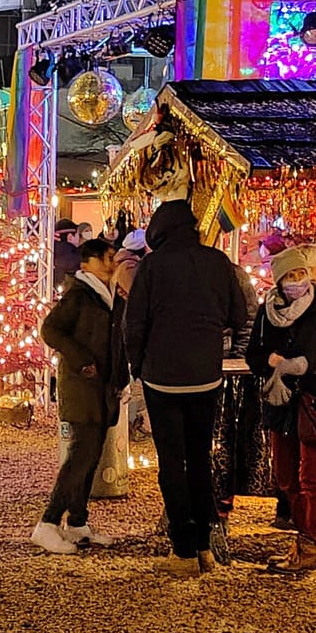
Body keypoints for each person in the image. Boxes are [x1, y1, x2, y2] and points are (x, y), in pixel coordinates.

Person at [123, 190, 252, 578]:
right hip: (205, 374)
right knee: (199, 457)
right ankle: (204, 546)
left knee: (171, 461)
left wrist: (137, 365)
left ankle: (182, 547)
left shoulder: (152, 267)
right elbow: (239, 312)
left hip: (163, 377)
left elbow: (136, 322)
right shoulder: (217, 262)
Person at [248, 244, 316, 575]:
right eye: (289, 276)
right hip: (282, 402)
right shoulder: (268, 313)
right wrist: (270, 364)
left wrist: (303, 365)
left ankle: (311, 543)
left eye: (300, 274)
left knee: (312, 478)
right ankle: (303, 537)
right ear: (278, 281)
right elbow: (254, 353)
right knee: (285, 475)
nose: (296, 281)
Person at [32, 237, 128, 555]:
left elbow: (118, 341)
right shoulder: (79, 295)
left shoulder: (111, 297)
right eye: (106, 258)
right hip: (82, 388)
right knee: (80, 458)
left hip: (104, 389)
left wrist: (120, 377)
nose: (111, 264)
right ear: (87, 264)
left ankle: (77, 522)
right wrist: (82, 360)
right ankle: (47, 523)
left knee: (90, 458)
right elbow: (51, 330)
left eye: (113, 257)